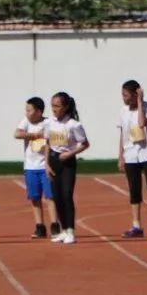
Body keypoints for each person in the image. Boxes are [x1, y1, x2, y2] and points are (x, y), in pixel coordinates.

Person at [118, 80, 147, 238]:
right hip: (130, 155)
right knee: (134, 190)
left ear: (135, 94)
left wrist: (140, 101)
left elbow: (142, 123)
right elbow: (122, 134)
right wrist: (120, 156)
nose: (123, 98)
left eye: (126, 95)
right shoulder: (123, 111)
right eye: (122, 95)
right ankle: (136, 225)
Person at [46, 92, 90, 245]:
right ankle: (63, 230)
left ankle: (71, 230)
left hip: (67, 162)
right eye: (52, 106)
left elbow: (85, 144)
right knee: (56, 197)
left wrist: (70, 153)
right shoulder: (50, 122)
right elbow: (47, 143)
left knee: (66, 195)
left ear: (65, 107)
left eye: (57, 106)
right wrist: (46, 164)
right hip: (53, 161)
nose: (54, 109)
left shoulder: (73, 124)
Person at [15, 97, 60, 239]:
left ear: (39, 112)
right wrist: (35, 135)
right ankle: (40, 226)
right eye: (26, 110)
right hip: (30, 166)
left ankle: (55, 225)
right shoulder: (26, 122)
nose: (27, 113)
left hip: (44, 165)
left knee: (50, 196)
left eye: (30, 110)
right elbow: (17, 133)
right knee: (35, 198)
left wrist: (48, 162)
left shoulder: (48, 123)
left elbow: (51, 141)